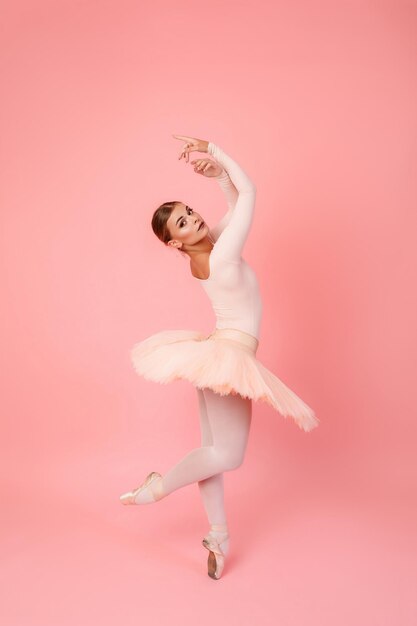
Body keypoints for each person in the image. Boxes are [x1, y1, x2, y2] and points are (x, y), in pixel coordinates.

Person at [120, 134, 319, 580]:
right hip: (227, 353)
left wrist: (218, 177)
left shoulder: (208, 252)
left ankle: (218, 536)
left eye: (190, 212)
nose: (194, 218)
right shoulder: (222, 255)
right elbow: (249, 194)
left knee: (214, 451)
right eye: (184, 224)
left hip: (218, 351)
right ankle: (159, 487)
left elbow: (231, 204)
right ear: (175, 244)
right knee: (228, 456)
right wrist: (215, 149)